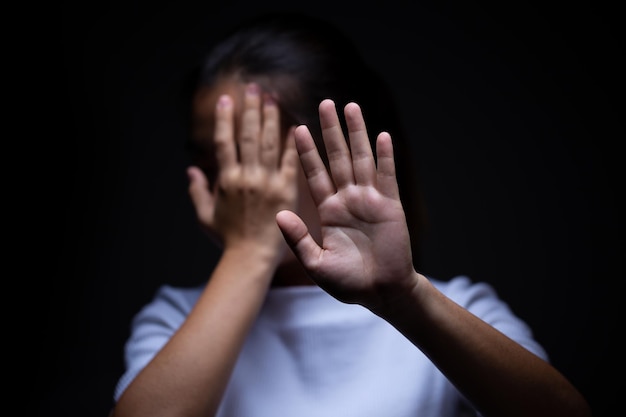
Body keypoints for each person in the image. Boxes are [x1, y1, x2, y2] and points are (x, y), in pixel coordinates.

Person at [109, 12, 592, 417]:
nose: (232, 187)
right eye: (210, 160)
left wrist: (404, 298)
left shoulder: (454, 309)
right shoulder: (176, 317)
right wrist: (250, 251)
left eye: (249, 157)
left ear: (339, 148)